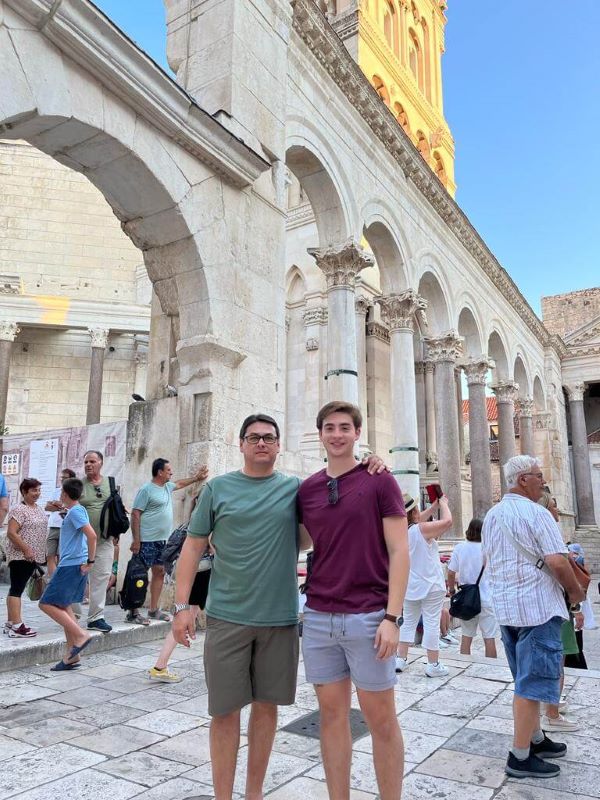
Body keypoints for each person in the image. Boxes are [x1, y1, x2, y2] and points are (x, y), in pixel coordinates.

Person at [172, 412, 386, 800]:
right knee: (224, 711)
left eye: (269, 437)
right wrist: (181, 606)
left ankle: (254, 793)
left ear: (278, 445)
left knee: (267, 707)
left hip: (279, 619)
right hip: (228, 616)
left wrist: (370, 464)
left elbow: (333, 504)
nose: (261, 443)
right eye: (253, 437)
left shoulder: (295, 490)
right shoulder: (218, 489)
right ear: (241, 444)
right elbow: (192, 547)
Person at [298, 401, 409, 800]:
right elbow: (299, 540)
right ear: (320, 434)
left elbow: (400, 550)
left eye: (345, 427)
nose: (337, 434)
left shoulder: (380, 480)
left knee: (381, 720)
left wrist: (392, 618)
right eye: (329, 427)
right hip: (318, 617)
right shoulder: (308, 489)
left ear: (357, 433)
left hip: (369, 616)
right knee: (331, 718)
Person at [482, 455, 586, 779]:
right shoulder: (537, 513)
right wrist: (575, 593)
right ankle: (520, 756)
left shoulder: (492, 516)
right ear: (523, 479)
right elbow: (557, 561)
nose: (543, 481)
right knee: (532, 683)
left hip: (507, 609)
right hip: (537, 609)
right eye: (539, 475)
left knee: (525, 679)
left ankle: (536, 738)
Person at [129, 458, 208, 624]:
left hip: (162, 541)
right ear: (160, 472)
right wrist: (136, 540)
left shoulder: (166, 487)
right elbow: (135, 514)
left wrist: (197, 478)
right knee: (138, 574)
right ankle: (133, 612)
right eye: (168, 470)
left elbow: (179, 484)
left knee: (159, 572)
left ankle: (153, 610)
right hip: (146, 540)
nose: (171, 473)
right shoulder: (146, 490)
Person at [39, 478, 97, 670]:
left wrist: (90, 562)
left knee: (46, 603)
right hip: (73, 564)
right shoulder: (75, 511)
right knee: (64, 606)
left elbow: (92, 536)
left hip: (71, 565)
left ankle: (81, 635)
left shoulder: (76, 512)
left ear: (64, 493)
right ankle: (72, 655)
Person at [395, 493, 453, 677]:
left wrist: (433, 507)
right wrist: (443, 504)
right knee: (431, 623)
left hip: (409, 585)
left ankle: (400, 659)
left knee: (408, 622)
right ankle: (433, 664)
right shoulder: (421, 529)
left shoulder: (397, 533)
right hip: (431, 584)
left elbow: (416, 520)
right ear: (414, 512)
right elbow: (447, 522)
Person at [447, 518, 498, 658]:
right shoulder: (488, 550)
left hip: (467, 600)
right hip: (487, 598)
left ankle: (464, 664)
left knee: (466, 637)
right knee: (489, 638)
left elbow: (451, 572)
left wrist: (451, 590)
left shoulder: (460, 548)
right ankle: (491, 667)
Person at [4, 478, 47, 638]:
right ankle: (17, 626)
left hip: (32, 557)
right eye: (34, 490)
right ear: (24, 492)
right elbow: (11, 533)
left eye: (39, 490)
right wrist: (26, 549)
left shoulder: (37, 508)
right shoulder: (18, 510)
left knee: (16, 588)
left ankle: (11, 622)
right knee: (17, 589)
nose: (37, 493)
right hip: (21, 556)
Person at [79, 450, 117, 633]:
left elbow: (116, 506)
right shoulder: (78, 485)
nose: (88, 465)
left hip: (104, 540)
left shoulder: (110, 483)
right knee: (76, 578)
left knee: (101, 577)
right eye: (86, 462)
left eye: (92, 461)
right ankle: (72, 615)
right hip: (81, 541)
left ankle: (95, 618)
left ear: (101, 463)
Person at [45, 468, 77, 577]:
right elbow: (47, 507)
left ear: (71, 479)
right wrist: (61, 506)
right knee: (50, 555)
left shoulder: (74, 493)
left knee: (61, 556)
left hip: (66, 527)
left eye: (65, 478)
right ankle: (52, 580)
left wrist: (58, 504)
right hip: (53, 526)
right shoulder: (56, 491)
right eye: (61, 478)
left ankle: (60, 579)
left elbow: (71, 507)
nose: (62, 480)